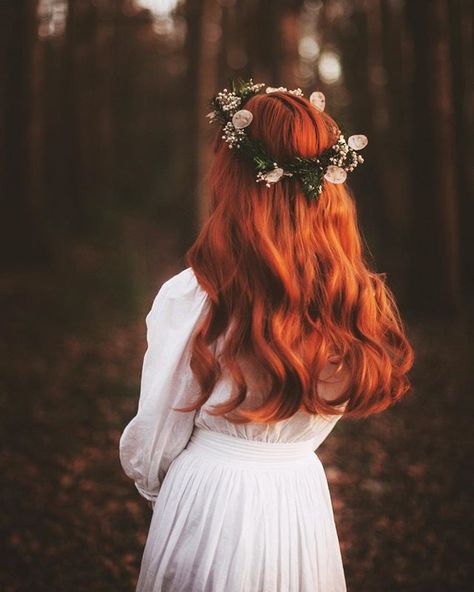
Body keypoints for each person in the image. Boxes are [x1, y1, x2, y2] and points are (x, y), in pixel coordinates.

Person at [119, 80, 414, 592]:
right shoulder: (348, 297)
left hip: (208, 499)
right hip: (297, 498)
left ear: (235, 180)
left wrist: (163, 490)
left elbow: (155, 441)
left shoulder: (196, 294)